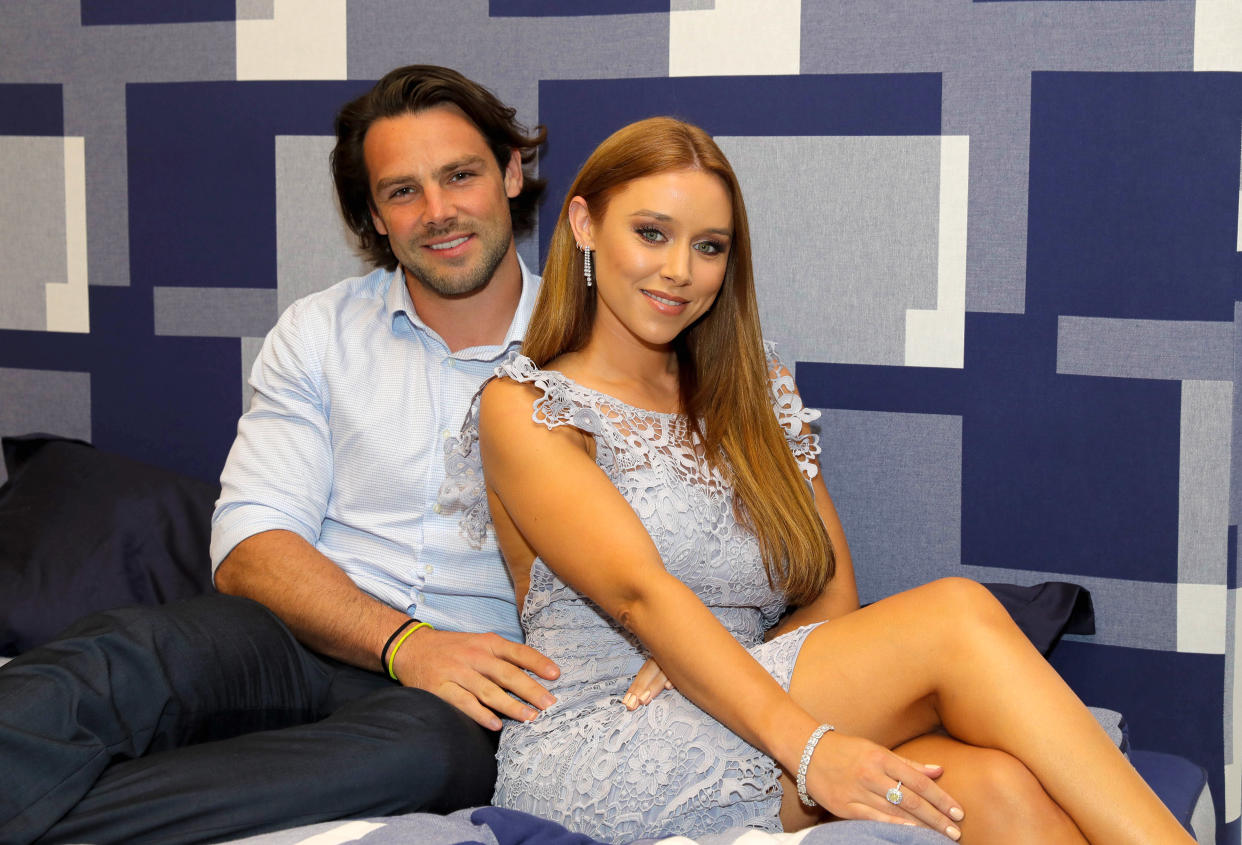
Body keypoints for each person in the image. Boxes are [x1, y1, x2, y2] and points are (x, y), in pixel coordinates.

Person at [445, 117, 1197, 844]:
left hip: (738, 696)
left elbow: (832, 595)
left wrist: (713, 661)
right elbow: (643, 594)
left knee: (999, 789)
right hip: (603, 741)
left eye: (709, 246)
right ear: (583, 224)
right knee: (957, 615)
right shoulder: (526, 407)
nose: (679, 269)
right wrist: (810, 749)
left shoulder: (754, 391)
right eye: (651, 233)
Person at [0, 65, 559, 845]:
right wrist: (404, 642)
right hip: (292, 639)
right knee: (117, 658)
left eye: (460, 175)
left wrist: (435, 658)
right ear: (375, 213)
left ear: (508, 172)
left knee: (424, 759)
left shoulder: (594, 347)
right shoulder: (320, 330)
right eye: (403, 191)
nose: (438, 212)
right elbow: (249, 545)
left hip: (454, 698)